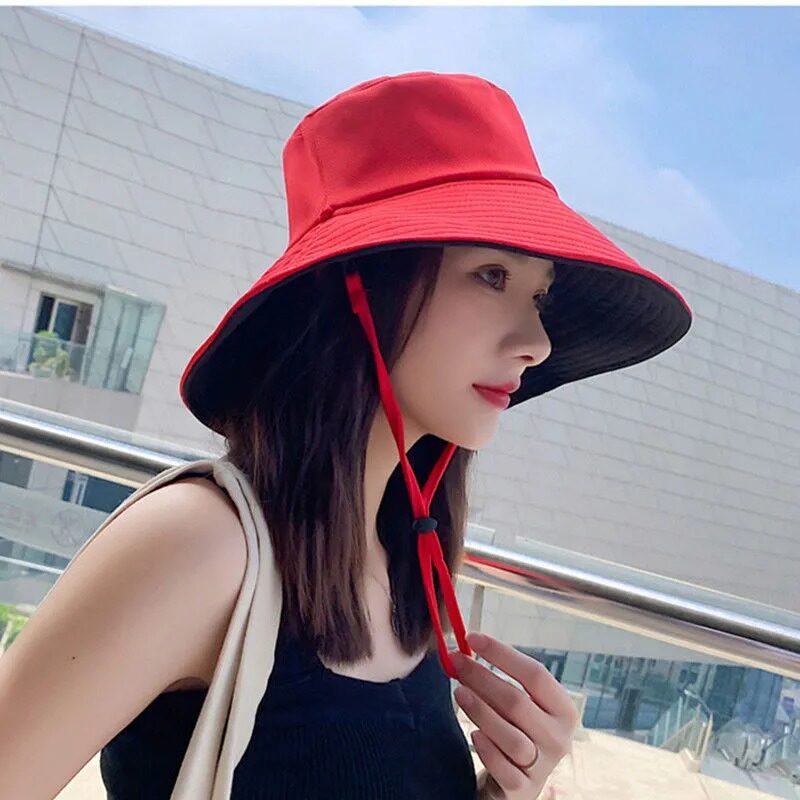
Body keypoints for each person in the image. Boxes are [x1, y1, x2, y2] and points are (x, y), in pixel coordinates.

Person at [0, 71, 691, 800]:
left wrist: (508, 789)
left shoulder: (406, 562)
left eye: (540, 296)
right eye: (493, 275)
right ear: (361, 286)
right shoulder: (200, 545)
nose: (537, 342)